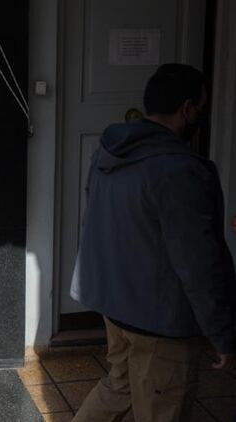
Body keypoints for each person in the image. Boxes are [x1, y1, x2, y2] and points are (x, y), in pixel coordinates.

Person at [71, 63, 236, 421]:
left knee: (119, 388)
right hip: (161, 322)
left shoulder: (108, 152)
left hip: (115, 306)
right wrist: (222, 332)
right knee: (161, 408)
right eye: (202, 109)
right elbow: (198, 263)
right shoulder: (180, 170)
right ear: (188, 109)